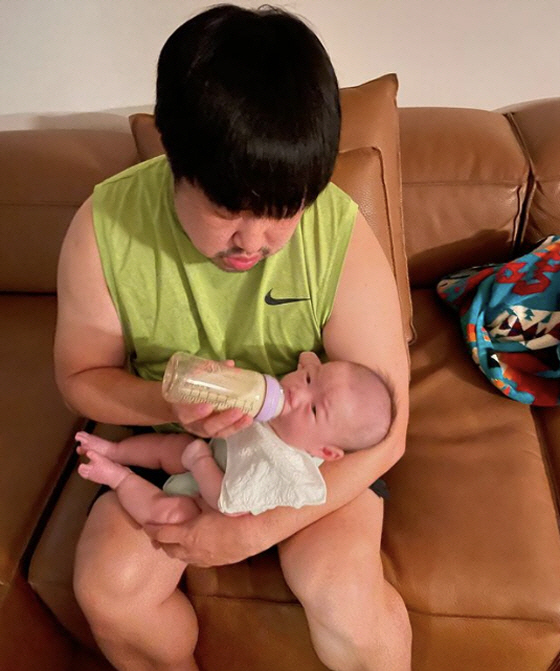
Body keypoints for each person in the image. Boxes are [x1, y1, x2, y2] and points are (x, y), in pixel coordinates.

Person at [54, 5, 411, 671]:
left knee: (345, 594)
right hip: (182, 439)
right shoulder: (103, 227)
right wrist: (171, 405)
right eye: (227, 213)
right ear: (171, 153)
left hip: (312, 449)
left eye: (282, 215)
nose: (255, 243)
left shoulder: (337, 231)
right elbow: (80, 376)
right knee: (109, 587)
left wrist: (248, 531)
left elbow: (390, 427)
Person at [75, 352, 394, 524]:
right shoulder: (278, 410)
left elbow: (227, 503)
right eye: (309, 378)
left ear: (324, 450)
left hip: (209, 496)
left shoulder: (282, 469)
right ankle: (115, 449)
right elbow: (309, 359)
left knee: (169, 514)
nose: (298, 391)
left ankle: (119, 478)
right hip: (212, 452)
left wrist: (200, 462)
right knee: (171, 447)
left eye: (312, 410)